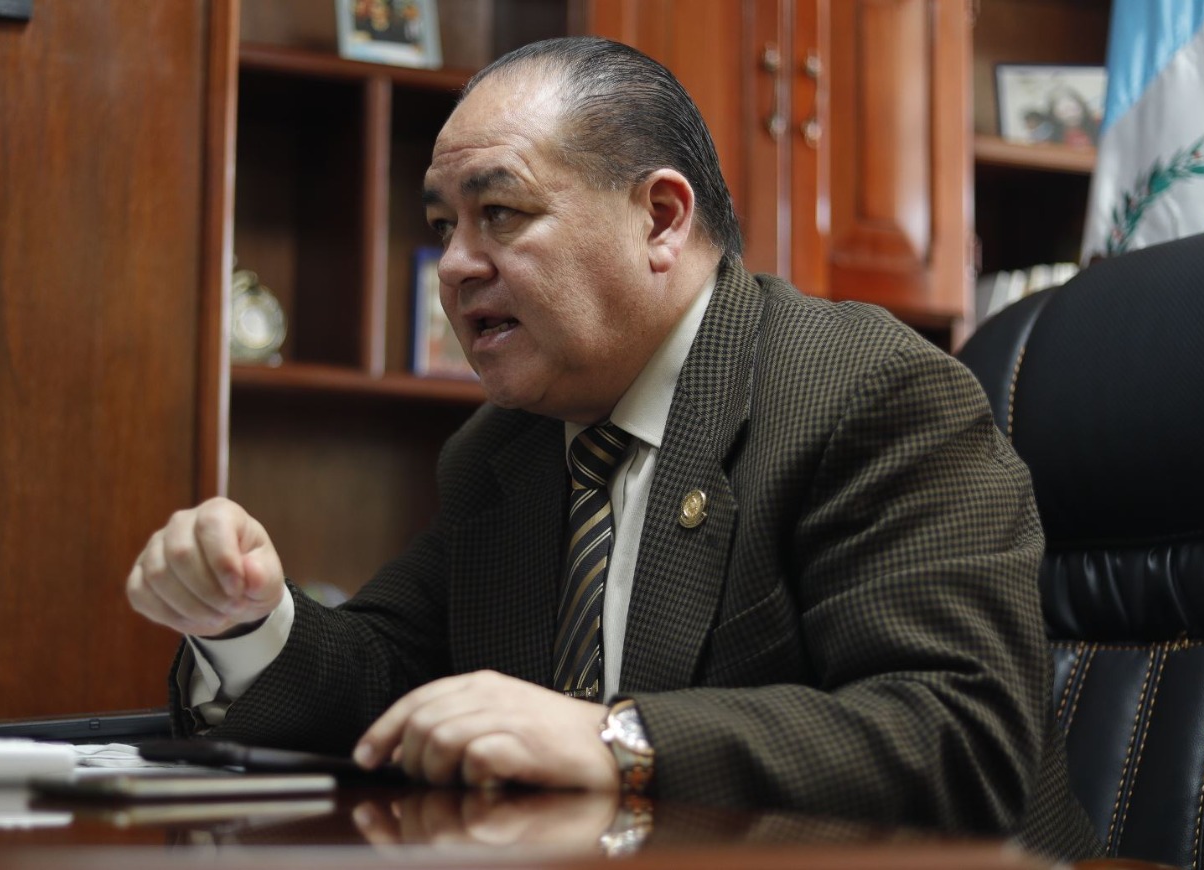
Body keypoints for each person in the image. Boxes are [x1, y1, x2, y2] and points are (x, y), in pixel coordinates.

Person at [126, 36, 1101, 861]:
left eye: (498, 213)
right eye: (440, 224)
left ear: (661, 219)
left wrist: (619, 741)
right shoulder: (499, 451)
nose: (453, 263)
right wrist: (247, 619)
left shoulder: (862, 392)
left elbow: (963, 741)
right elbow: (390, 677)